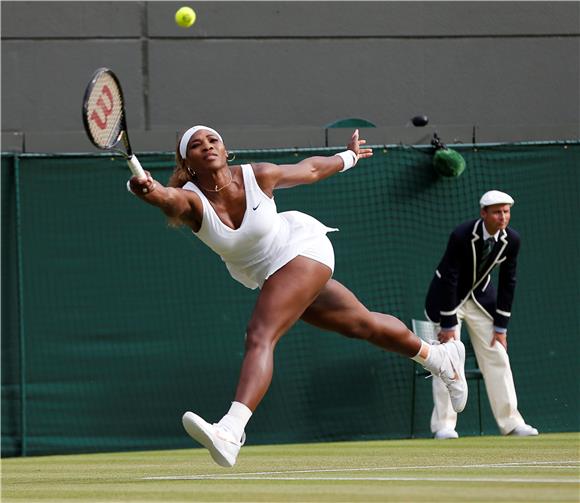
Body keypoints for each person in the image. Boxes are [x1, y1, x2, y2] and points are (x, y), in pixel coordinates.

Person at [128, 125, 468, 467]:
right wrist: (147, 189)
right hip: (268, 274)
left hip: (302, 249)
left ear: (225, 148)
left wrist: (348, 156)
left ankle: (230, 431)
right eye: (197, 146)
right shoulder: (190, 200)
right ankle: (440, 359)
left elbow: (311, 169)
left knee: (260, 335)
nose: (208, 147)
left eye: (213, 140)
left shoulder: (257, 175)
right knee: (361, 325)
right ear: (188, 162)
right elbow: (165, 198)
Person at [424, 190, 538, 439]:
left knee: (498, 355)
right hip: (447, 298)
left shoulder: (512, 240)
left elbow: (509, 280)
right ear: (483, 213)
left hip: (480, 300)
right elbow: (451, 277)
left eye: (506, 212)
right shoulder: (462, 235)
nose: (503, 217)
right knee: (446, 360)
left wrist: (501, 327)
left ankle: (511, 423)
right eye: (497, 212)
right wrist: (448, 322)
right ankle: (444, 426)